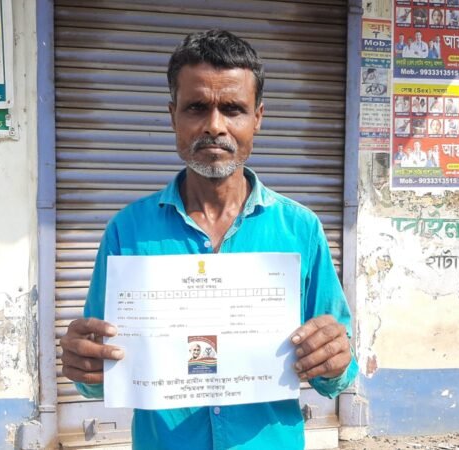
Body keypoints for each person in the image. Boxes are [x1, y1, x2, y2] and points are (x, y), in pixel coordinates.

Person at [59, 30, 357, 450]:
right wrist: (85, 365)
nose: (215, 126)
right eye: (197, 107)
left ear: (258, 118)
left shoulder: (300, 229)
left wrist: (336, 360)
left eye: (233, 109)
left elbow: (336, 375)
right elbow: (99, 372)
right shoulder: (127, 231)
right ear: (173, 116)